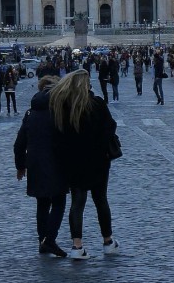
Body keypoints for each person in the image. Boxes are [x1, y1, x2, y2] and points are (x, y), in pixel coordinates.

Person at [49, 69, 120, 259]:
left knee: (77, 203)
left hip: (74, 163)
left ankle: (77, 246)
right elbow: (110, 128)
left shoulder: (63, 108)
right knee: (101, 200)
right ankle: (107, 241)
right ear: (86, 85)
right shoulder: (97, 104)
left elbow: (57, 137)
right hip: (98, 161)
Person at [14, 75, 69, 258]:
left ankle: (42, 241)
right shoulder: (59, 111)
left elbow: (19, 144)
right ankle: (50, 240)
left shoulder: (30, 113)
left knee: (42, 203)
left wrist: (20, 166)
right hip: (56, 161)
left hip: (35, 163)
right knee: (59, 201)